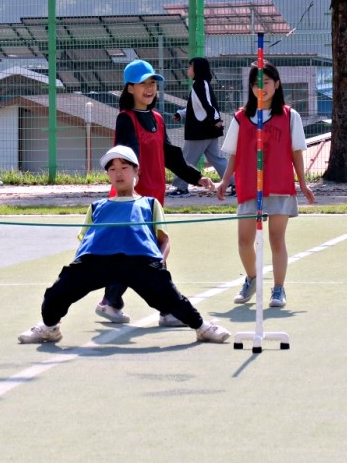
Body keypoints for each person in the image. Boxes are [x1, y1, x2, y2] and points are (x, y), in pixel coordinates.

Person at [17, 145, 231, 345]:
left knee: (171, 297)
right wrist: (76, 269)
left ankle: (202, 327)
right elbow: (85, 241)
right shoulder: (97, 206)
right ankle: (49, 328)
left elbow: (164, 240)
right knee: (57, 293)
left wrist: (159, 262)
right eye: (113, 169)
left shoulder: (149, 203)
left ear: (136, 171)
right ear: (108, 174)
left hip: (139, 261)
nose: (119, 173)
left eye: (124, 167)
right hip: (97, 261)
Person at [97, 59, 213, 326]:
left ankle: (111, 301)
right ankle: (168, 309)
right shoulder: (125, 120)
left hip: (154, 199)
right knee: (152, 252)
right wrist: (130, 196)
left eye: (153, 84)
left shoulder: (157, 119)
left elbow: (171, 157)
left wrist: (197, 177)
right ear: (129, 89)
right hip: (131, 201)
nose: (149, 89)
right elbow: (126, 160)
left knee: (135, 254)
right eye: (143, 84)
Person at [215, 61, 315, 309]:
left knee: (276, 238)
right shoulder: (241, 118)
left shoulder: (291, 116)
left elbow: (296, 152)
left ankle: (278, 289)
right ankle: (251, 278)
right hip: (249, 186)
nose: (261, 88)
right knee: (244, 240)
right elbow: (234, 154)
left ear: (277, 84)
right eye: (256, 84)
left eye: (266, 82)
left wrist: (303, 183)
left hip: (279, 185)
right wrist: (225, 180)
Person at [170, 57, 228, 196]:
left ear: (197, 69)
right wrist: (181, 114)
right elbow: (196, 107)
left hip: (199, 131)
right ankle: (236, 184)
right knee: (217, 159)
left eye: (190, 66)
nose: (188, 69)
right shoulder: (200, 84)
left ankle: (181, 187)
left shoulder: (200, 85)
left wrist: (216, 120)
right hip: (208, 131)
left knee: (186, 160)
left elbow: (209, 104)